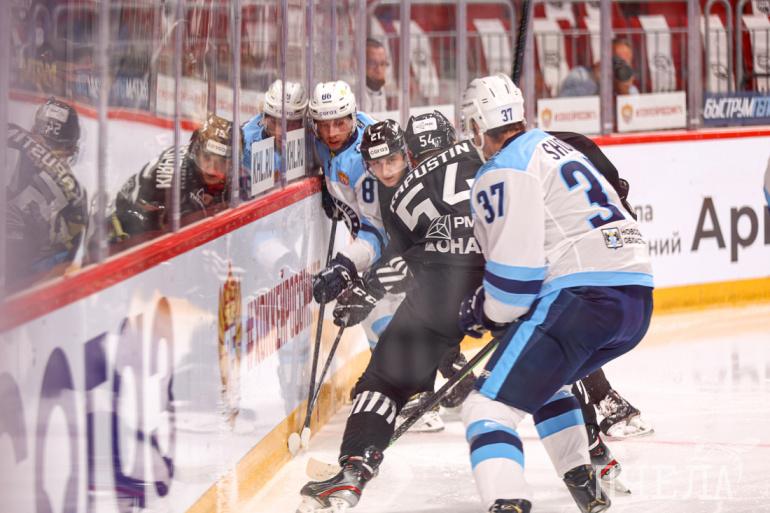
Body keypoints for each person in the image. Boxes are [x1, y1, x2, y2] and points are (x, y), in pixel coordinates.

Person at [458, 74, 653, 513]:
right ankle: (582, 479)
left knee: (486, 409)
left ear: (476, 126)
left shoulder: (504, 168)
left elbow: (512, 290)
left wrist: (479, 310)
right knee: (549, 381)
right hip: (636, 299)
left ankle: (508, 503)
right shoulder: (556, 147)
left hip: (583, 298)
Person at [298, 113, 487, 512]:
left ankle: (355, 469)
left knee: (383, 380)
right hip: (504, 279)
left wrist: (367, 287)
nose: (386, 171)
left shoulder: (406, 195)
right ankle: (588, 447)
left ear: (409, 154)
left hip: (444, 291)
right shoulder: (483, 157)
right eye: (377, 164)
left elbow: (414, 257)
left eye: (394, 161)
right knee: (548, 353)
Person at [308, 80, 400, 350]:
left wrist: (343, 267)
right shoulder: (327, 141)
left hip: (397, 253)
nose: (331, 133)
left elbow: (377, 232)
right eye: (324, 125)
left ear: (352, 116)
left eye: (339, 123)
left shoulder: (366, 161)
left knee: (387, 325)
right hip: (382, 256)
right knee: (375, 326)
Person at [6, 97, 88, 293]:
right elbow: (67, 262)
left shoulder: (9, 131)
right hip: (24, 275)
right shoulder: (76, 194)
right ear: (70, 148)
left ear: (34, 131)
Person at [110, 113, 237, 239]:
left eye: (222, 161)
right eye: (207, 158)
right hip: (127, 222)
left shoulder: (199, 162)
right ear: (195, 153)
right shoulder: (175, 187)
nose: (213, 168)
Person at [242, 79, 307, 176]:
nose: (282, 132)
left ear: (302, 123)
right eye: (275, 122)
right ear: (264, 117)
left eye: (291, 124)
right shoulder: (246, 141)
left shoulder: (313, 138)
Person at [362, 38, 390, 113]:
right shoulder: (353, 96)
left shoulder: (380, 88)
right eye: (373, 64)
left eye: (382, 64)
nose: (379, 70)